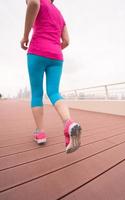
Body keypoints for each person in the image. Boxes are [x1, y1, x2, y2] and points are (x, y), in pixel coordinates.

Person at [20, 0, 82, 153]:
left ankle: (40, 132)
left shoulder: (37, 1)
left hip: (37, 52)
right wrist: (54, 47)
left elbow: (34, 3)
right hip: (56, 56)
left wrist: (25, 36)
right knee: (54, 92)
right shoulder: (59, 14)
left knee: (37, 93)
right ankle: (68, 123)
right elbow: (67, 41)